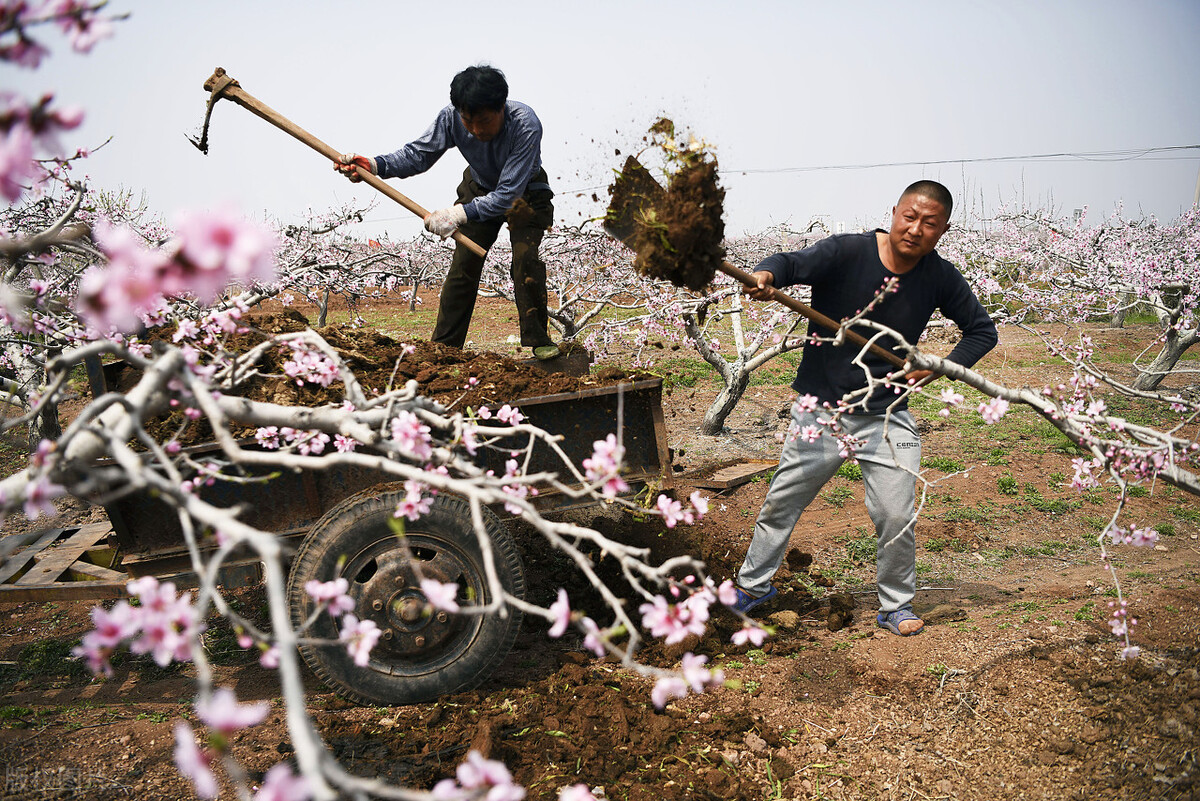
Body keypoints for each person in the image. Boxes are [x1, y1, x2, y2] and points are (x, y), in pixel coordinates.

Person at [732, 181, 998, 636]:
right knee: (782, 503)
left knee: (896, 514)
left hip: (887, 414)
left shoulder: (940, 277)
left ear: (943, 230)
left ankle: (896, 605)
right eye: (909, 217)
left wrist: (939, 367)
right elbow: (791, 264)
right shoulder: (847, 252)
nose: (915, 229)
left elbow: (981, 331)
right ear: (894, 212)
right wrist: (766, 275)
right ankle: (754, 586)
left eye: (929, 224)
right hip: (821, 412)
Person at [336, 65, 559, 360]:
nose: (477, 131)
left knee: (525, 259)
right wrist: (375, 166)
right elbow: (418, 154)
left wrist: (457, 215)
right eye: (468, 122)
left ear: (501, 108)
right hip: (478, 186)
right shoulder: (451, 117)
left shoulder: (525, 124)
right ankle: (444, 347)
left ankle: (538, 339)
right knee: (463, 266)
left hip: (524, 192)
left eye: (485, 121)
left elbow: (507, 195)